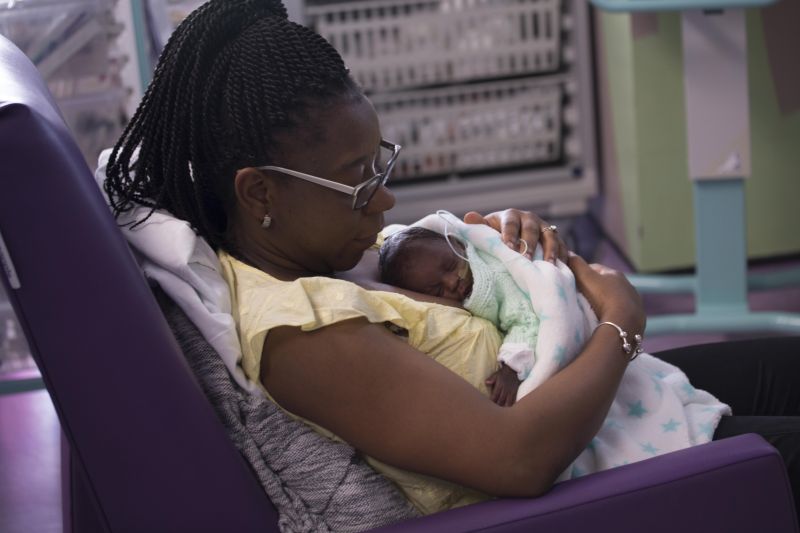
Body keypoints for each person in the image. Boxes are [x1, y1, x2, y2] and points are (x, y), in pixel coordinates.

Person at [102, 0, 800, 519]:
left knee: (785, 365)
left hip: (614, 406)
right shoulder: (301, 338)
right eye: (358, 181)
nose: (384, 199)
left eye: (379, 165)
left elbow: (456, 291)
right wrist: (622, 321)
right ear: (260, 193)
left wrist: (504, 252)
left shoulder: (318, 257)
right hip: (604, 464)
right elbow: (518, 460)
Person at [378, 224, 534, 406]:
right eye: (437, 290)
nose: (452, 282)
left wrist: (513, 368)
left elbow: (526, 320)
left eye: (450, 265)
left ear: (456, 243)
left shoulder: (495, 277)